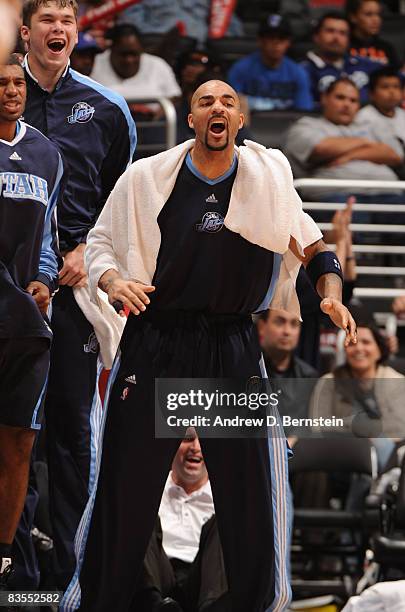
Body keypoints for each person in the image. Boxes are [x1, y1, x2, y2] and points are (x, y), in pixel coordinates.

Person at [61, 78, 356, 612]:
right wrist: (111, 282)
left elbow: (317, 250)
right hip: (158, 337)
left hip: (231, 342)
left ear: (240, 121)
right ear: (192, 119)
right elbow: (100, 244)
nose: (217, 109)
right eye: (205, 102)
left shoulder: (267, 180)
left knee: (249, 497)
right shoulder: (148, 177)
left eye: (227, 102)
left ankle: (258, 605)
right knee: (123, 495)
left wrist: (331, 297)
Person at [20, 0, 136, 591]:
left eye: (67, 21)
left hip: (74, 292)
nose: (59, 30)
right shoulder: (4, 92)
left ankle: (67, 581)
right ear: (27, 31)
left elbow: (124, 203)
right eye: (48, 20)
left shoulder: (108, 109)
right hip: (10, 293)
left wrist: (85, 251)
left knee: (70, 433)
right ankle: (15, 574)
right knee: (13, 434)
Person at [0, 54, 64, 590]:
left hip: (22, 321)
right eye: (1, 83)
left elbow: (48, 237)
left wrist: (44, 278)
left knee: (20, 440)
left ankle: (5, 559)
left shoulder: (45, 152)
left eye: (18, 82)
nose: (11, 90)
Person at [134, 429, 226, 611]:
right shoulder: (153, 486)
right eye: (187, 439)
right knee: (139, 510)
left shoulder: (223, 494)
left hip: (202, 580)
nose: (196, 448)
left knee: (224, 521)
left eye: (203, 441)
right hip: (159, 575)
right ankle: (153, 604)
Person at [310, 316, 405, 470]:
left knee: (379, 442)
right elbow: (318, 426)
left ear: (380, 350)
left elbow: (399, 429)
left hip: (388, 452)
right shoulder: (328, 382)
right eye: (352, 343)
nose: (359, 348)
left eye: (366, 342)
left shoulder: (396, 381)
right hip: (341, 451)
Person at [285, 77, 403, 202]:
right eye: (340, 98)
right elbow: (321, 148)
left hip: (388, 192)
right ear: (325, 98)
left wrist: (350, 155)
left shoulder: (371, 125)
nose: (347, 104)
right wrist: (366, 143)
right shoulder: (306, 125)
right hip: (336, 195)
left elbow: (395, 155)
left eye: (353, 100)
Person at [228, 14, 314, 111]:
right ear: (260, 40)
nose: (276, 43)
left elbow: (303, 112)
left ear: (288, 42)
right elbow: (230, 108)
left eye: (281, 38)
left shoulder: (298, 73)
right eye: (270, 37)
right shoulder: (241, 69)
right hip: (251, 124)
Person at [257, 308, 318, 440]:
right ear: (262, 326)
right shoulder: (246, 370)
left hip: (299, 453)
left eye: (294, 324)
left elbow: (313, 425)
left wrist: (296, 440)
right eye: (279, 322)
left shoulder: (309, 376)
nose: (287, 331)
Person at [302, 12, 379, 105]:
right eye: (330, 31)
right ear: (316, 36)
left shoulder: (365, 64)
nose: (336, 38)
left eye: (342, 33)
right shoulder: (304, 71)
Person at [90, 24, 181, 103]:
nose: (129, 60)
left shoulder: (158, 65)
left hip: (152, 122)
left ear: (141, 50)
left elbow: (175, 98)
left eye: (134, 54)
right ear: (111, 49)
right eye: (123, 54)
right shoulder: (93, 63)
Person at [117, 0, 243, 45]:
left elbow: (232, 27)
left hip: (200, 51)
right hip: (155, 50)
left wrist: (216, 40)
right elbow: (128, 24)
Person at [356, 66, 405, 165]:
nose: (392, 92)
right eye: (385, 87)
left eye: (396, 87)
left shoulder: (403, 115)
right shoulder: (363, 117)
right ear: (371, 94)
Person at [347, 0, 399, 66]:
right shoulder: (344, 46)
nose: (376, 19)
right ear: (353, 17)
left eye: (378, 14)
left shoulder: (387, 48)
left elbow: (396, 74)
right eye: (369, 14)